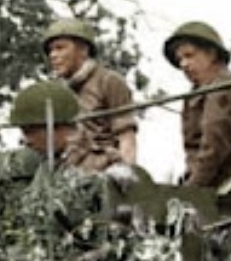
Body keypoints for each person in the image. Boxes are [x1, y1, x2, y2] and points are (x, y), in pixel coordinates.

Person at [164, 20, 231, 189]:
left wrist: (192, 189)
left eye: (189, 55)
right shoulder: (196, 93)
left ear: (211, 54)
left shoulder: (223, 88)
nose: (183, 64)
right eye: (180, 59)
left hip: (221, 188)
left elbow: (214, 147)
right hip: (202, 185)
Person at [42, 18, 138, 171]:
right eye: (50, 50)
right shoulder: (57, 92)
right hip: (68, 171)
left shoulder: (108, 81)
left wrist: (127, 172)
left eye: (60, 48)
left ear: (83, 50)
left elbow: (126, 135)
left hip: (103, 169)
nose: (53, 55)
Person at [8, 79, 83, 175]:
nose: (26, 141)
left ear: (58, 127)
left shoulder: (90, 168)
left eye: (30, 132)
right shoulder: (45, 160)